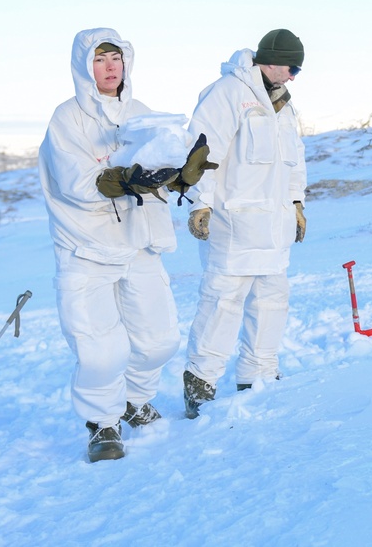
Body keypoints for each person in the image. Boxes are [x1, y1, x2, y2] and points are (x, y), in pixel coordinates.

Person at [39, 28, 202, 462]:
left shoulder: (143, 112)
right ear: (83, 67)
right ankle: (103, 424)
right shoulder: (66, 118)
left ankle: (133, 399)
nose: (110, 67)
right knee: (100, 349)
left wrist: (181, 173)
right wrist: (121, 178)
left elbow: (158, 166)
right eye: (99, 59)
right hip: (86, 247)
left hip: (139, 241)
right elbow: (75, 182)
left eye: (116, 58)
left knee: (158, 340)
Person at [181, 28, 308, 419]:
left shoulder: (285, 107)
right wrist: (200, 204)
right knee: (222, 303)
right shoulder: (227, 94)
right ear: (271, 59)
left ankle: (259, 374)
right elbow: (203, 150)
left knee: (272, 301)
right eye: (292, 67)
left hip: (274, 227)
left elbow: (294, 163)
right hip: (234, 225)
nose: (293, 76)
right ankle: (200, 383)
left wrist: (297, 203)